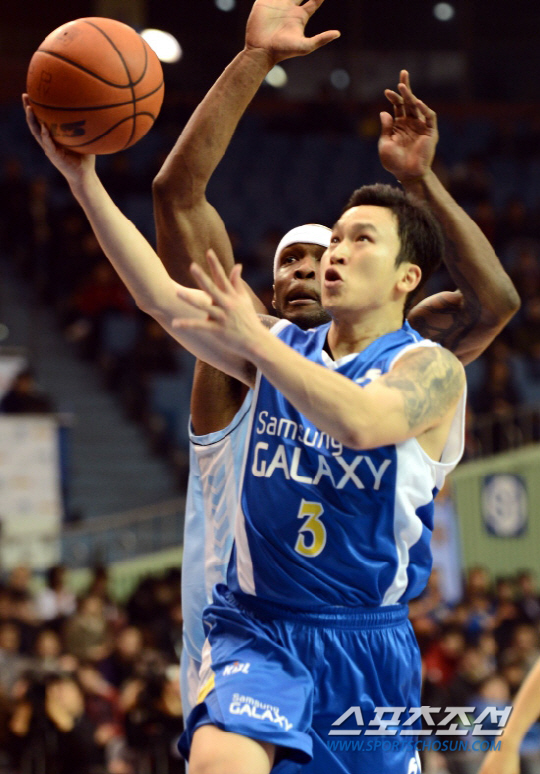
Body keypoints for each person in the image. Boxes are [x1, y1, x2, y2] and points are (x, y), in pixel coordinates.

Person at [151, 0, 519, 719]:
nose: (307, 270)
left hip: (356, 646)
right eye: (288, 262)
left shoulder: (402, 361)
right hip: (241, 640)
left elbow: (494, 304)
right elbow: (177, 195)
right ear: (261, 292)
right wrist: (254, 59)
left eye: (325, 256)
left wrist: (420, 183)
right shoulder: (241, 353)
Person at [478, 656, 540, 774]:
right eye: (493, 687)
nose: (497, 691)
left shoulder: (511, 705)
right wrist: (508, 743)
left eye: (500, 687)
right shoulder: (481, 706)